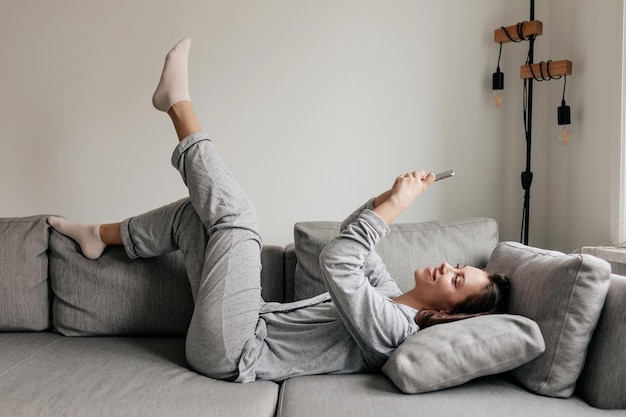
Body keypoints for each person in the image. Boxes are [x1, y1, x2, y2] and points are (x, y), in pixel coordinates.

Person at [48, 38, 510, 383]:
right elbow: (348, 241)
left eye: (456, 280)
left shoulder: (394, 329)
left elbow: (338, 264)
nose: (449, 267)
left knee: (238, 220)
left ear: (451, 314)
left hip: (235, 351)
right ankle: (100, 235)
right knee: (197, 215)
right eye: (459, 267)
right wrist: (384, 198)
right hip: (240, 326)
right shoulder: (388, 296)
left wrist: (394, 207)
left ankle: (177, 104)